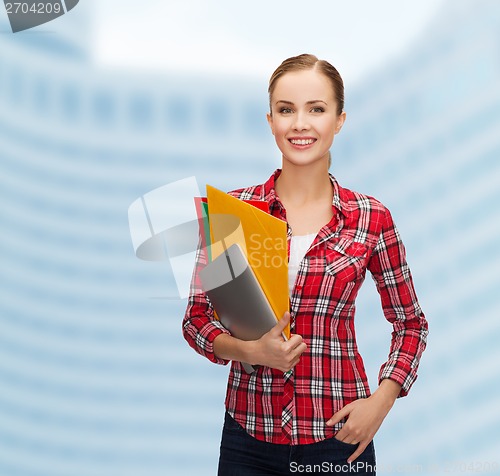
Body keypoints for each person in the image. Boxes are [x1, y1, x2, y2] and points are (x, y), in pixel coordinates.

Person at [183, 53, 428, 475]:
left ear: (339, 120)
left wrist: (381, 403)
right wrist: (250, 351)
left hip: (339, 439)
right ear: (270, 120)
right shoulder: (233, 211)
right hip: (248, 437)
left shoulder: (371, 218)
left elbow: (411, 324)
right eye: (286, 110)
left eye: (316, 109)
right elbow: (197, 319)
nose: (300, 124)